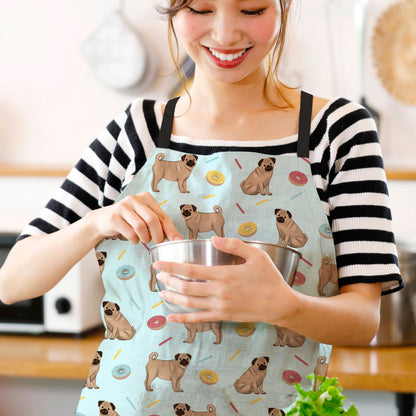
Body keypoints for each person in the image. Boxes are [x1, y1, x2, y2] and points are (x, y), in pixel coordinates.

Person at [0, 0, 403, 414]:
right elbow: (12, 282)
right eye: (200, 9)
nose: (226, 35)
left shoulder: (337, 132)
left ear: (283, 7)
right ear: (172, 10)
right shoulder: (136, 131)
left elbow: (362, 320)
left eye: (252, 10)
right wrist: (95, 222)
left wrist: (284, 306)